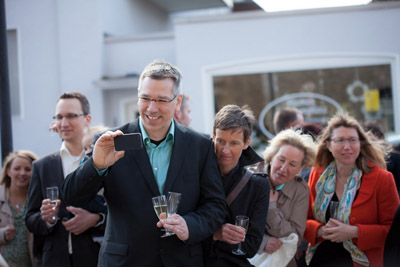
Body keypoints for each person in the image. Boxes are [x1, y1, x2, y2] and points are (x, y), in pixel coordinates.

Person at [62, 60, 227, 266]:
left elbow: (216, 206)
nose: (151, 108)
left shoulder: (200, 146)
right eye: (145, 98)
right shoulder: (110, 142)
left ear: (178, 101)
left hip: (181, 260)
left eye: (161, 100)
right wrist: (97, 165)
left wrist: (190, 225)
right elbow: (71, 195)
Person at [304, 113, 400, 267]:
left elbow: (394, 231)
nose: (347, 146)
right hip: (321, 259)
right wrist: (320, 231)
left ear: (360, 144)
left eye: (353, 140)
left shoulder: (382, 178)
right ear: (328, 145)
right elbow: (304, 220)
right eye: (340, 140)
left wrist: (354, 232)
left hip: (363, 261)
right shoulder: (318, 174)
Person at [26, 92, 107, 267]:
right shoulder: (42, 166)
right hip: (54, 260)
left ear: (87, 119)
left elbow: (122, 211)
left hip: (95, 258)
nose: (63, 123)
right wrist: (47, 219)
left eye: (71, 116)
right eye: (59, 117)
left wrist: (96, 219)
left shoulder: (103, 162)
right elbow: (30, 218)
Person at [203, 104, 270, 266]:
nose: (225, 150)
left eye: (233, 143)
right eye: (220, 141)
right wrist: (215, 233)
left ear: (246, 143)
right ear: (212, 136)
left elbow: (251, 246)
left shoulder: (258, 185)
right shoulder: (196, 174)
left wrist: (209, 236)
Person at [255, 129, 317, 267]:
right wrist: (263, 242)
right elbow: (235, 227)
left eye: (292, 164)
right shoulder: (249, 179)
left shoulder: (300, 190)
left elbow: (295, 237)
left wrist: (272, 209)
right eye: (281, 160)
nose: (283, 168)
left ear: (300, 169)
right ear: (272, 156)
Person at [0, 150, 38, 267]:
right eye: (17, 168)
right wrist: (2, 234)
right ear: (8, 171)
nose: (22, 173)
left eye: (28, 169)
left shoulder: (37, 199)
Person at [363, 121, 400, 197]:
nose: (370, 146)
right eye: (366, 142)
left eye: (373, 141)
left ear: (381, 140)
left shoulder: (394, 159)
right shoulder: (358, 163)